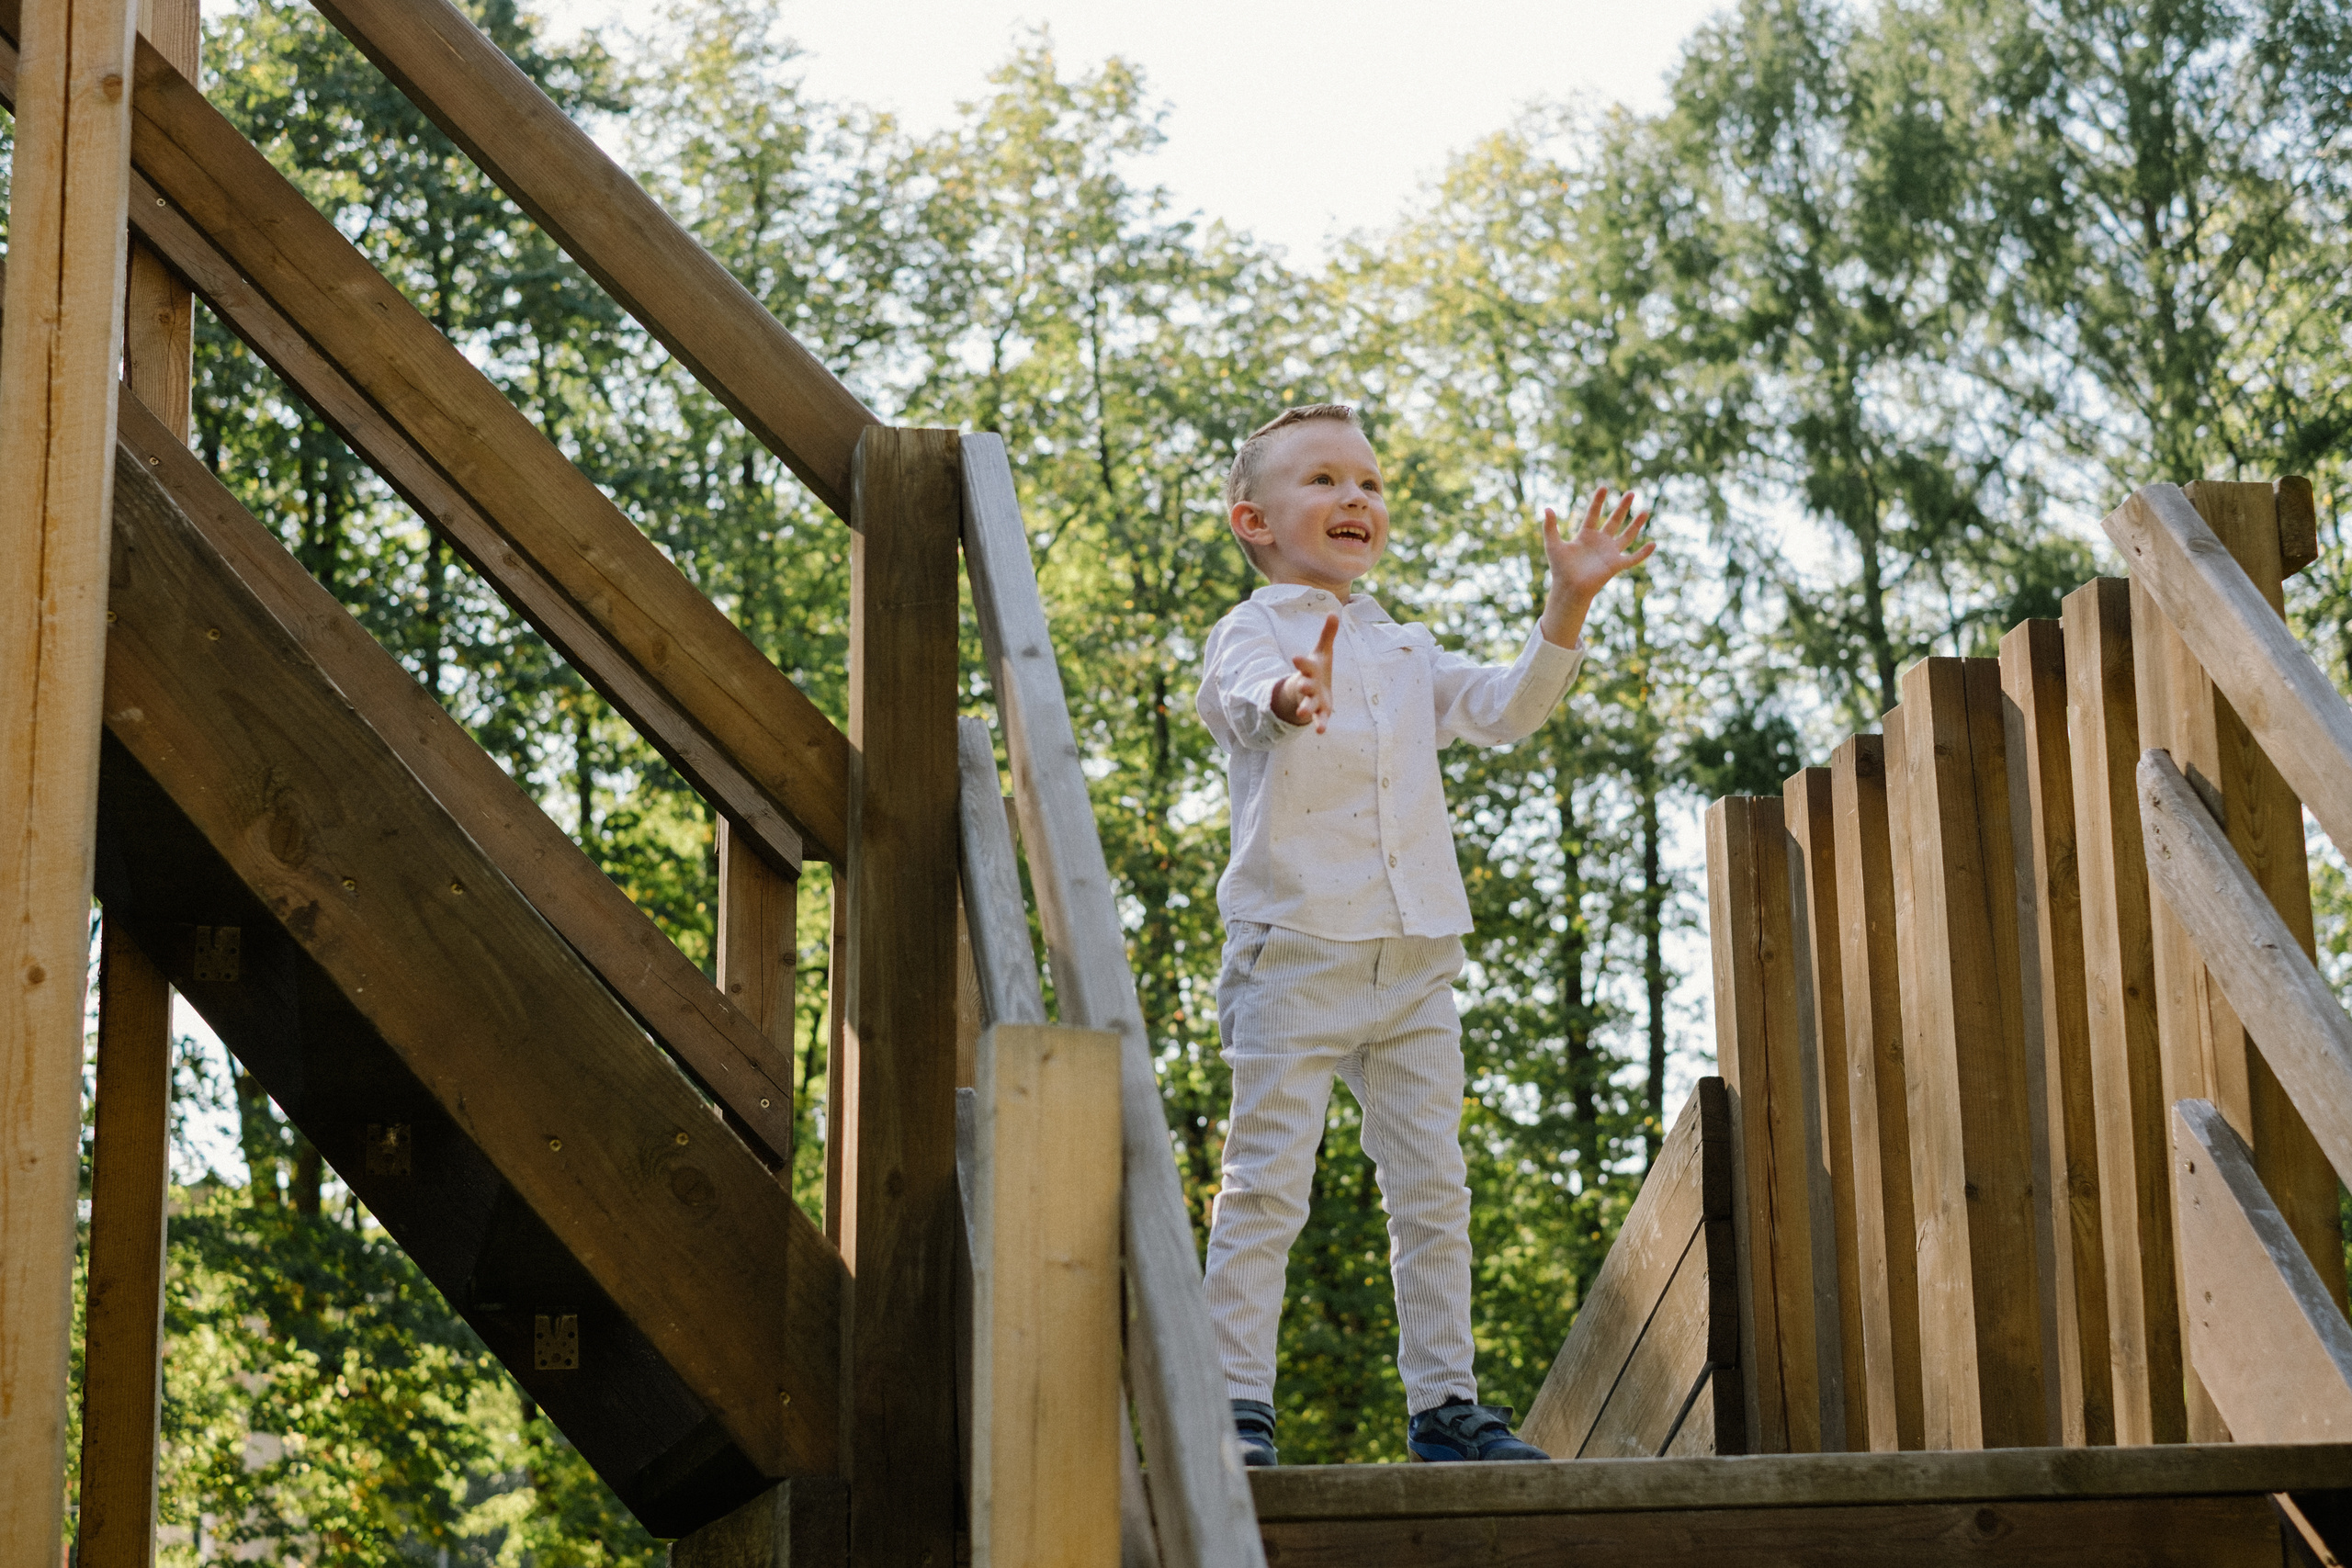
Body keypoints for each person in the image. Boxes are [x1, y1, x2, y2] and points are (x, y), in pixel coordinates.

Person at [1194, 403, 1656, 1466]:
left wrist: (1565, 602)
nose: (1354, 497)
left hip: (1412, 964)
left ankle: (1447, 1407)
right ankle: (1231, 1406)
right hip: (1295, 948)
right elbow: (1235, 700)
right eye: (1322, 481)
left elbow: (1503, 710)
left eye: (1368, 483)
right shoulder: (1254, 631)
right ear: (1253, 520)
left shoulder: (1403, 647)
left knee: (1431, 1190)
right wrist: (1285, 690)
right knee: (1268, 1181)